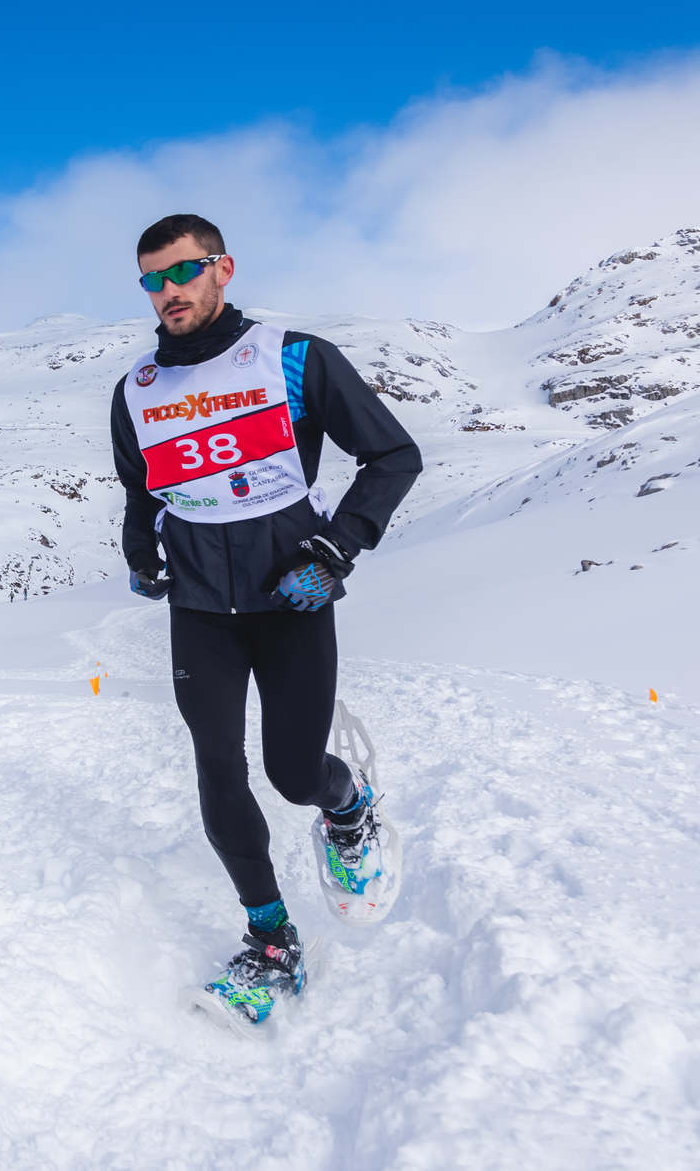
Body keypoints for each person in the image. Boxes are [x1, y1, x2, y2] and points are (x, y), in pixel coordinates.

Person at [110, 213, 420, 1025]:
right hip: (201, 609)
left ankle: (347, 804)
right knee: (217, 764)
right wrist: (141, 554)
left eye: (183, 272)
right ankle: (272, 941)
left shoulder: (295, 357)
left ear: (223, 268)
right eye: (153, 280)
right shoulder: (138, 393)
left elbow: (394, 455)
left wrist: (338, 551)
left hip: (292, 599)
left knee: (291, 773)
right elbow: (142, 489)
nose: (168, 291)